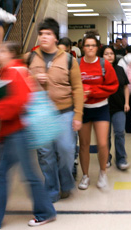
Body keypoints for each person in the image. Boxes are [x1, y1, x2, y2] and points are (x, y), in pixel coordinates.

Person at [0, 41, 57, 229]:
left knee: (21, 175)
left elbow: (18, 102)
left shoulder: (12, 71)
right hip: (13, 132)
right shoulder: (15, 70)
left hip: (15, 132)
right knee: (4, 174)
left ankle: (44, 212)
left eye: (0, 50)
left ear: (10, 53)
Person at [27, 18, 84, 202]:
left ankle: (65, 182)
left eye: (48, 34)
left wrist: (78, 115)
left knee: (66, 150)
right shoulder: (31, 57)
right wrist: (34, 78)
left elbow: (78, 88)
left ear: (56, 39)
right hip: (41, 114)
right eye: (41, 34)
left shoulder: (68, 59)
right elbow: (23, 83)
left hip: (64, 113)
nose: (43, 37)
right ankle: (51, 189)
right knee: (45, 155)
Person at [76, 32, 119, 190]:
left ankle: (103, 172)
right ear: (83, 47)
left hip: (101, 107)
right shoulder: (77, 63)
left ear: (98, 47)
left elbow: (113, 86)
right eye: (87, 45)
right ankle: (85, 175)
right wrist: (81, 92)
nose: (90, 48)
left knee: (102, 143)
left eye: (93, 45)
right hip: (83, 109)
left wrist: (92, 91)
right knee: (84, 145)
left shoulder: (104, 64)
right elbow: (72, 84)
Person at [101, 45, 131, 171]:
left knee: (119, 133)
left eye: (111, 53)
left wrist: (127, 103)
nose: (110, 56)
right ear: (101, 56)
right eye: (106, 54)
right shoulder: (99, 70)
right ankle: (106, 157)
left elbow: (125, 87)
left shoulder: (119, 69)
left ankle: (121, 159)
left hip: (119, 107)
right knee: (105, 136)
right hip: (103, 108)